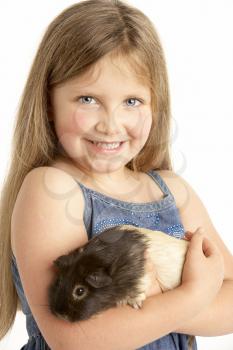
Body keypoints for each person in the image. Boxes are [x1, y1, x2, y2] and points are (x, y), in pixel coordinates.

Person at [0, 0, 232, 349]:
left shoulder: (171, 190)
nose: (111, 125)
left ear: (156, 104)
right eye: (88, 99)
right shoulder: (50, 189)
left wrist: (159, 305)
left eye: (132, 102)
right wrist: (194, 294)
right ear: (49, 103)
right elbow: (74, 338)